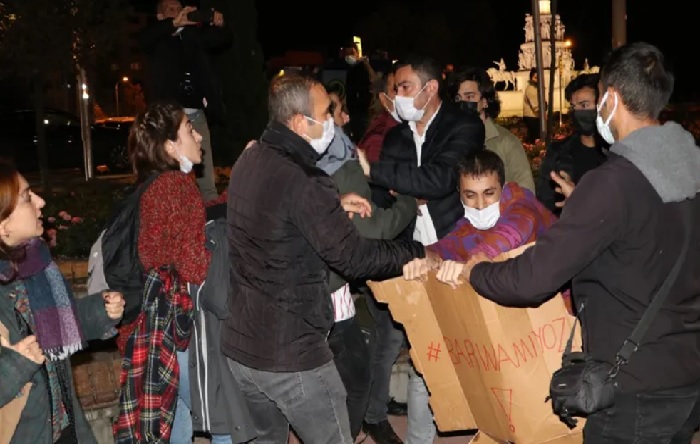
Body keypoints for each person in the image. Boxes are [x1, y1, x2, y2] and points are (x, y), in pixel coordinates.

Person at [438, 42, 700, 443]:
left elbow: (533, 278)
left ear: (610, 99)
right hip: (687, 372)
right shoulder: (690, 168)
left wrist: (478, 272)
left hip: (633, 387)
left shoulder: (613, 183)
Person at [223, 72, 430, 444]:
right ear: (301, 122)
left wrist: (330, 206)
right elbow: (353, 259)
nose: (332, 122)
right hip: (293, 354)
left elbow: (273, 217)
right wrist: (414, 252)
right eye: (325, 113)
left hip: (243, 348)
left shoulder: (250, 159)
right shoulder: (306, 179)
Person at [356, 55, 484, 444]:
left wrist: (381, 174)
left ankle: (476, 416)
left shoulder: (463, 127)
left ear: (430, 89)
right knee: (395, 338)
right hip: (405, 248)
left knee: (461, 337)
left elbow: (442, 178)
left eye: (404, 87)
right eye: (395, 88)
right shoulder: (396, 137)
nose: (396, 96)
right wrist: (413, 190)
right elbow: (395, 194)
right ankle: (378, 418)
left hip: (453, 246)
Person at [112, 102, 248, 444]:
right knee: (223, 419)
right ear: (170, 146)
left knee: (178, 424)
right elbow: (195, 265)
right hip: (175, 331)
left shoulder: (154, 187)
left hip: (150, 325)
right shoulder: (176, 187)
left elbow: (194, 220)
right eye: (189, 129)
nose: (198, 135)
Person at [400, 149, 555, 442]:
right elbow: (444, 248)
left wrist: (470, 264)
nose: (480, 204)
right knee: (426, 368)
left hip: (550, 325)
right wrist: (425, 260)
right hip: (503, 323)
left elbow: (513, 232)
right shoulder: (467, 226)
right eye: (470, 195)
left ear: (503, 187)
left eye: (488, 193)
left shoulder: (522, 204)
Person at [0, 159, 125, 444]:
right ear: (3, 223)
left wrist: (100, 309)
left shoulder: (37, 265)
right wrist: (17, 363)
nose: (40, 202)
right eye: (26, 197)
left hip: (64, 427)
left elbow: (60, 324)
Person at [318, 89, 417, 440]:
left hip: (323, 280)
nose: (347, 120)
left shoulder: (316, 157)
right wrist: (408, 201)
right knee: (355, 373)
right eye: (341, 113)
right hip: (332, 284)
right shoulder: (341, 162)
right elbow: (373, 228)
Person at [139, 0, 232, 201]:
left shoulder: (192, 36)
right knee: (168, 167)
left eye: (179, 8)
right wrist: (172, 25)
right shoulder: (157, 39)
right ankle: (174, 209)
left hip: (196, 113)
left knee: (205, 168)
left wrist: (219, 22)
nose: (177, 12)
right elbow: (144, 40)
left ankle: (211, 213)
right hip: (169, 118)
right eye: (170, 10)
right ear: (160, 16)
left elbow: (220, 41)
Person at [450, 67, 535, 191]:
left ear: (485, 101)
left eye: (469, 97)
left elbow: (527, 192)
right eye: (458, 98)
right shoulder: (449, 140)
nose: (463, 102)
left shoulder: (506, 142)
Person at [536, 73, 608, 215]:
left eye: (584, 105)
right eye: (574, 107)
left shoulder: (617, 153)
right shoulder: (558, 152)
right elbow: (545, 202)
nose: (578, 112)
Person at [522, 67, 541, 144]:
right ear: (531, 78)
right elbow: (536, 107)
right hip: (532, 117)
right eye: (535, 77)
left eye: (538, 78)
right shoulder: (531, 89)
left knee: (535, 138)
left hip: (534, 117)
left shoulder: (535, 88)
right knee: (535, 139)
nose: (537, 80)